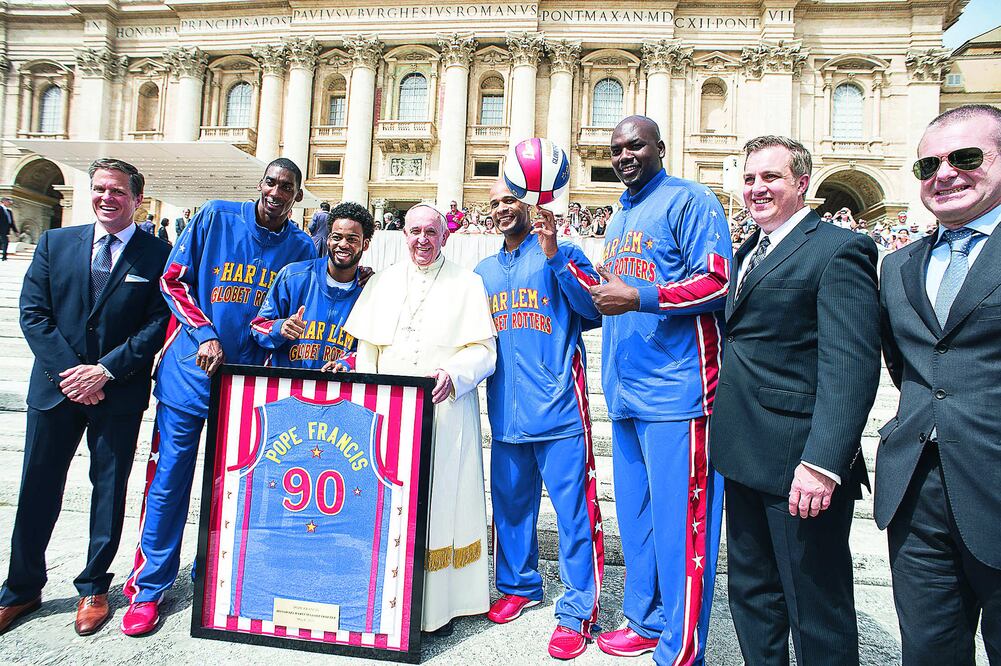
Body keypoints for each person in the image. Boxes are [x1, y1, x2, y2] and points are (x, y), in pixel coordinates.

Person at [120, 158, 315, 636]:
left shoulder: (303, 245)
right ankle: (149, 584)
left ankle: (225, 574)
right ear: (260, 184)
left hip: (249, 385)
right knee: (169, 479)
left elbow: (303, 308)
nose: (276, 192)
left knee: (243, 490)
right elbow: (173, 280)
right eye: (271, 182)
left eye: (286, 187)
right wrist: (205, 332)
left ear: (297, 196)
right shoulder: (215, 215)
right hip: (190, 372)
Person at [710, 136, 880, 666]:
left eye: (772, 178)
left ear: (802, 183)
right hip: (744, 454)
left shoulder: (837, 248)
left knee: (816, 607)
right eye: (750, 178)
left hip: (800, 464)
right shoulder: (747, 250)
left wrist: (825, 464)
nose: (757, 188)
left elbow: (851, 366)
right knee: (753, 595)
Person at [0, 159, 171, 637]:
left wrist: (104, 371)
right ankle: (21, 587)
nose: (106, 198)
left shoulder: (159, 254)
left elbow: (158, 324)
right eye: (99, 189)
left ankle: (94, 585)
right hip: (56, 390)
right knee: (37, 487)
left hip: (116, 391)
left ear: (138, 198)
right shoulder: (56, 243)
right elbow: (33, 314)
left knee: (108, 491)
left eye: (118, 191)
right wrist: (71, 374)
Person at [585, 115, 732, 664]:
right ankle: (644, 619)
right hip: (625, 392)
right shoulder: (620, 213)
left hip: (679, 391)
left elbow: (717, 281)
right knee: (639, 518)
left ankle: (683, 641)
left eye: (635, 145)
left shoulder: (691, 199)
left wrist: (641, 297)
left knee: (683, 526)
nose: (624, 155)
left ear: (660, 148)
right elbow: (614, 293)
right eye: (617, 148)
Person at [876, 104, 1001, 665]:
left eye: (966, 157)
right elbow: (912, 371)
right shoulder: (898, 264)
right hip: (917, 495)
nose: (944, 174)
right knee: (927, 651)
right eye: (928, 165)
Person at [344, 204, 495, 635]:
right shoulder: (385, 282)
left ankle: (439, 606)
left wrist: (455, 374)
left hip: (444, 409)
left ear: (446, 236)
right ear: (403, 233)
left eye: (432, 231)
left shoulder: (468, 284)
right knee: (388, 504)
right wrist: (366, 401)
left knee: (441, 502)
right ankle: (385, 598)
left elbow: (485, 351)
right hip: (389, 414)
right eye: (415, 231)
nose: (423, 240)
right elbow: (368, 348)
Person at [474, 179, 604, 659]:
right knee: (509, 508)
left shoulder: (563, 252)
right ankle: (519, 587)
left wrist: (554, 257)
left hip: (559, 409)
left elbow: (594, 310)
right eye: (494, 204)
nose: (502, 209)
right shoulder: (482, 271)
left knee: (573, 516)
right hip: (505, 412)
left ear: (530, 203)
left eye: (510, 200)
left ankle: (577, 611)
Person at [250, 201, 374, 370]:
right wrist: (280, 327)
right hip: (287, 388)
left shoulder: (370, 291)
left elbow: (371, 348)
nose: (343, 244)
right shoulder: (293, 277)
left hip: (338, 391)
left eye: (352, 239)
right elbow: (257, 327)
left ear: (365, 244)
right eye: (337, 237)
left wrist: (347, 362)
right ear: (328, 239)